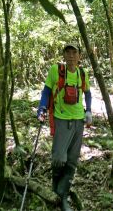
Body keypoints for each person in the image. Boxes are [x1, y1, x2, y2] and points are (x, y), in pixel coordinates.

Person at [37, 43, 92, 211]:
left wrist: (88, 110)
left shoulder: (83, 73)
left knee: (72, 161)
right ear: (64, 55)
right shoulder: (56, 70)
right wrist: (42, 108)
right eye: (67, 52)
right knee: (59, 158)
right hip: (61, 119)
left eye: (74, 53)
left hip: (79, 120)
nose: (71, 56)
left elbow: (87, 92)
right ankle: (55, 188)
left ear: (79, 56)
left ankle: (62, 196)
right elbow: (46, 91)